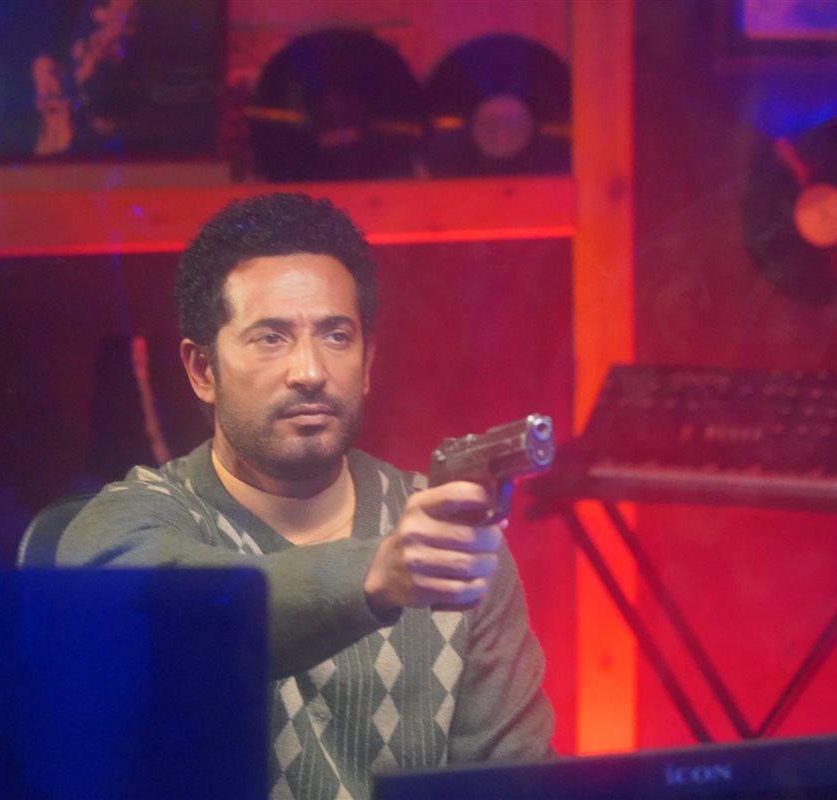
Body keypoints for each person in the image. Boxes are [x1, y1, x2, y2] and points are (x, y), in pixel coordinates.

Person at [58, 192, 553, 798]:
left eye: (336, 335)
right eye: (271, 338)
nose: (311, 371)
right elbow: (180, 618)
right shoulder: (129, 519)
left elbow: (517, 781)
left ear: (367, 362)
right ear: (202, 370)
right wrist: (376, 575)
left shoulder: (449, 541)